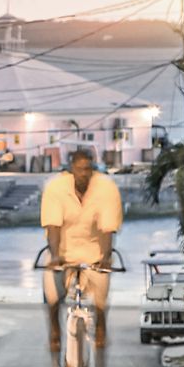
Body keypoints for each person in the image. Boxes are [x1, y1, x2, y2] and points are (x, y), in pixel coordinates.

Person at [40, 147, 123, 352]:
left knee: (101, 294)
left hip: (94, 251)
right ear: (71, 169)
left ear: (92, 169)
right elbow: (53, 225)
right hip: (63, 251)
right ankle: (54, 331)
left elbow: (108, 228)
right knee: (52, 293)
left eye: (87, 169)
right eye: (79, 169)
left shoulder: (106, 188)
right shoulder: (56, 188)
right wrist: (57, 256)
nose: (83, 174)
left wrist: (104, 257)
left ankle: (101, 325)